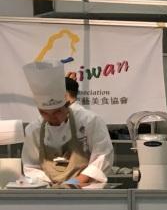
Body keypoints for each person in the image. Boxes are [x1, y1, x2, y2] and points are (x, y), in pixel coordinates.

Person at [20, 61, 112, 189]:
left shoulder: (90, 121)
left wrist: (72, 183)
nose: (52, 118)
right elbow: (31, 167)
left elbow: (102, 157)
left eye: (57, 112)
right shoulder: (34, 129)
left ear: (68, 105)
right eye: (44, 113)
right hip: (48, 192)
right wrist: (50, 187)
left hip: (84, 190)